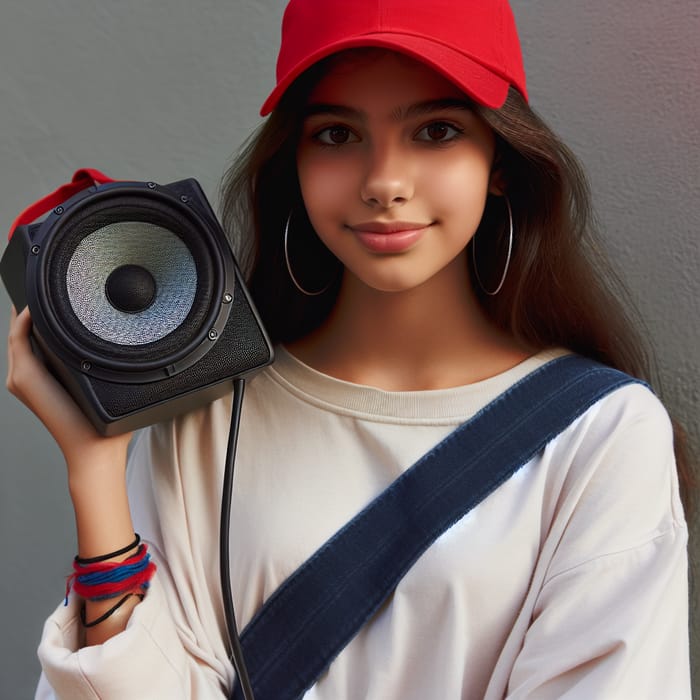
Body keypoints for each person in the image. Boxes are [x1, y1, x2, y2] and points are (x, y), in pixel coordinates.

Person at [5, 0, 691, 697]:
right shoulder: (206, 413)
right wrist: (95, 471)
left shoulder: (601, 436)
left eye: (437, 130)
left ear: (501, 160)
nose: (383, 182)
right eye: (337, 134)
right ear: (292, 162)